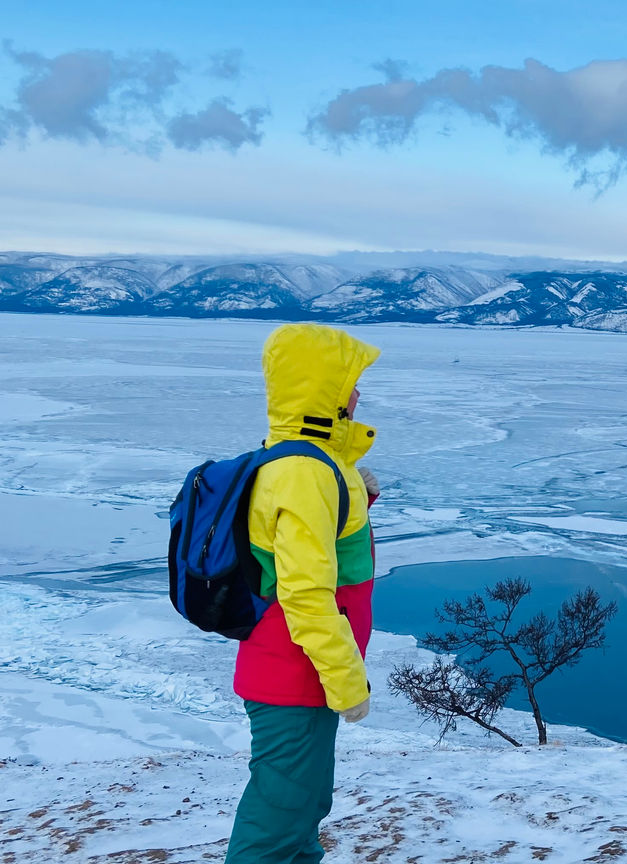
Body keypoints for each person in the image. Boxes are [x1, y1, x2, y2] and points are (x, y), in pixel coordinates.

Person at [224, 323, 382, 864]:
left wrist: (355, 500)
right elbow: (306, 592)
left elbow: (308, 546)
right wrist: (347, 681)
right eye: (349, 383)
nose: (358, 394)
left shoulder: (308, 463)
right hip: (294, 671)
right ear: (324, 393)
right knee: (276, 822)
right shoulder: (304, 473)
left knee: (303, 806)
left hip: (298, 671)